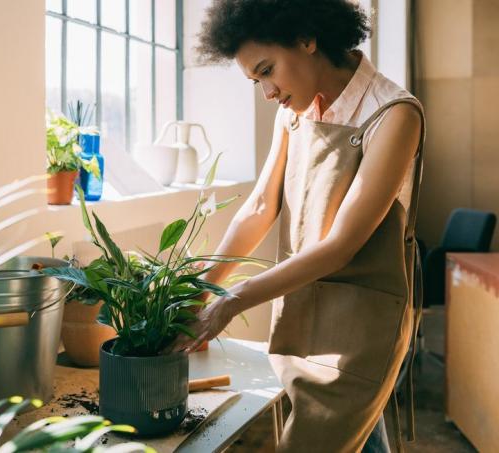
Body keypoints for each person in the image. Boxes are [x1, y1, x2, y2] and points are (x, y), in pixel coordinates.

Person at [172, 0, 425, 451]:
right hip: (299, 310)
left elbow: (342, 245)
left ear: (308, 39)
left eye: (267, 71)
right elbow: (259, 208)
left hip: (360, 327)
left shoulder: (394, 114)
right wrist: (200, 293)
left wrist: (232, 301)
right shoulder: (293, 114)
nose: (267, 92)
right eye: (255, 80)